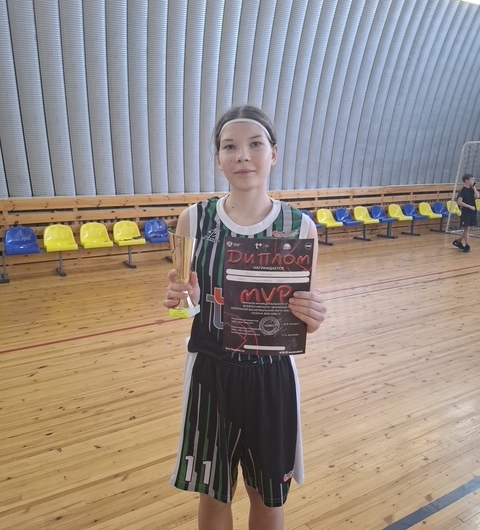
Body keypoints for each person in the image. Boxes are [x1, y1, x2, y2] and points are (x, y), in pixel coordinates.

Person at [163, 104, 327, 530]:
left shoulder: (301, 227)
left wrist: (313, 316)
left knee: (268, 497)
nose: (242, 156)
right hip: (210, 373)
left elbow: (303, 318)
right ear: (218, 158)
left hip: (272, 376)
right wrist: (182, 299)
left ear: (273, 153)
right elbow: (185, 307)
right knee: (214, 494)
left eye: (255, 144)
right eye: (229, 146)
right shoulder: (191, 220)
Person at [452, 173, 479, 252]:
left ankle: (458, 241)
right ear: (466, 181)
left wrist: (474, 188)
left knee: (471, 228)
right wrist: (469, 206)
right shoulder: (462, 190)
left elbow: (477, 196)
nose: (473, 180)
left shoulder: (471, 189)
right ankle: (467, 245)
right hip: (466, 211)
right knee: (466, 228)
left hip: (473, 211)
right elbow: (459, 202)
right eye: (472, 179)